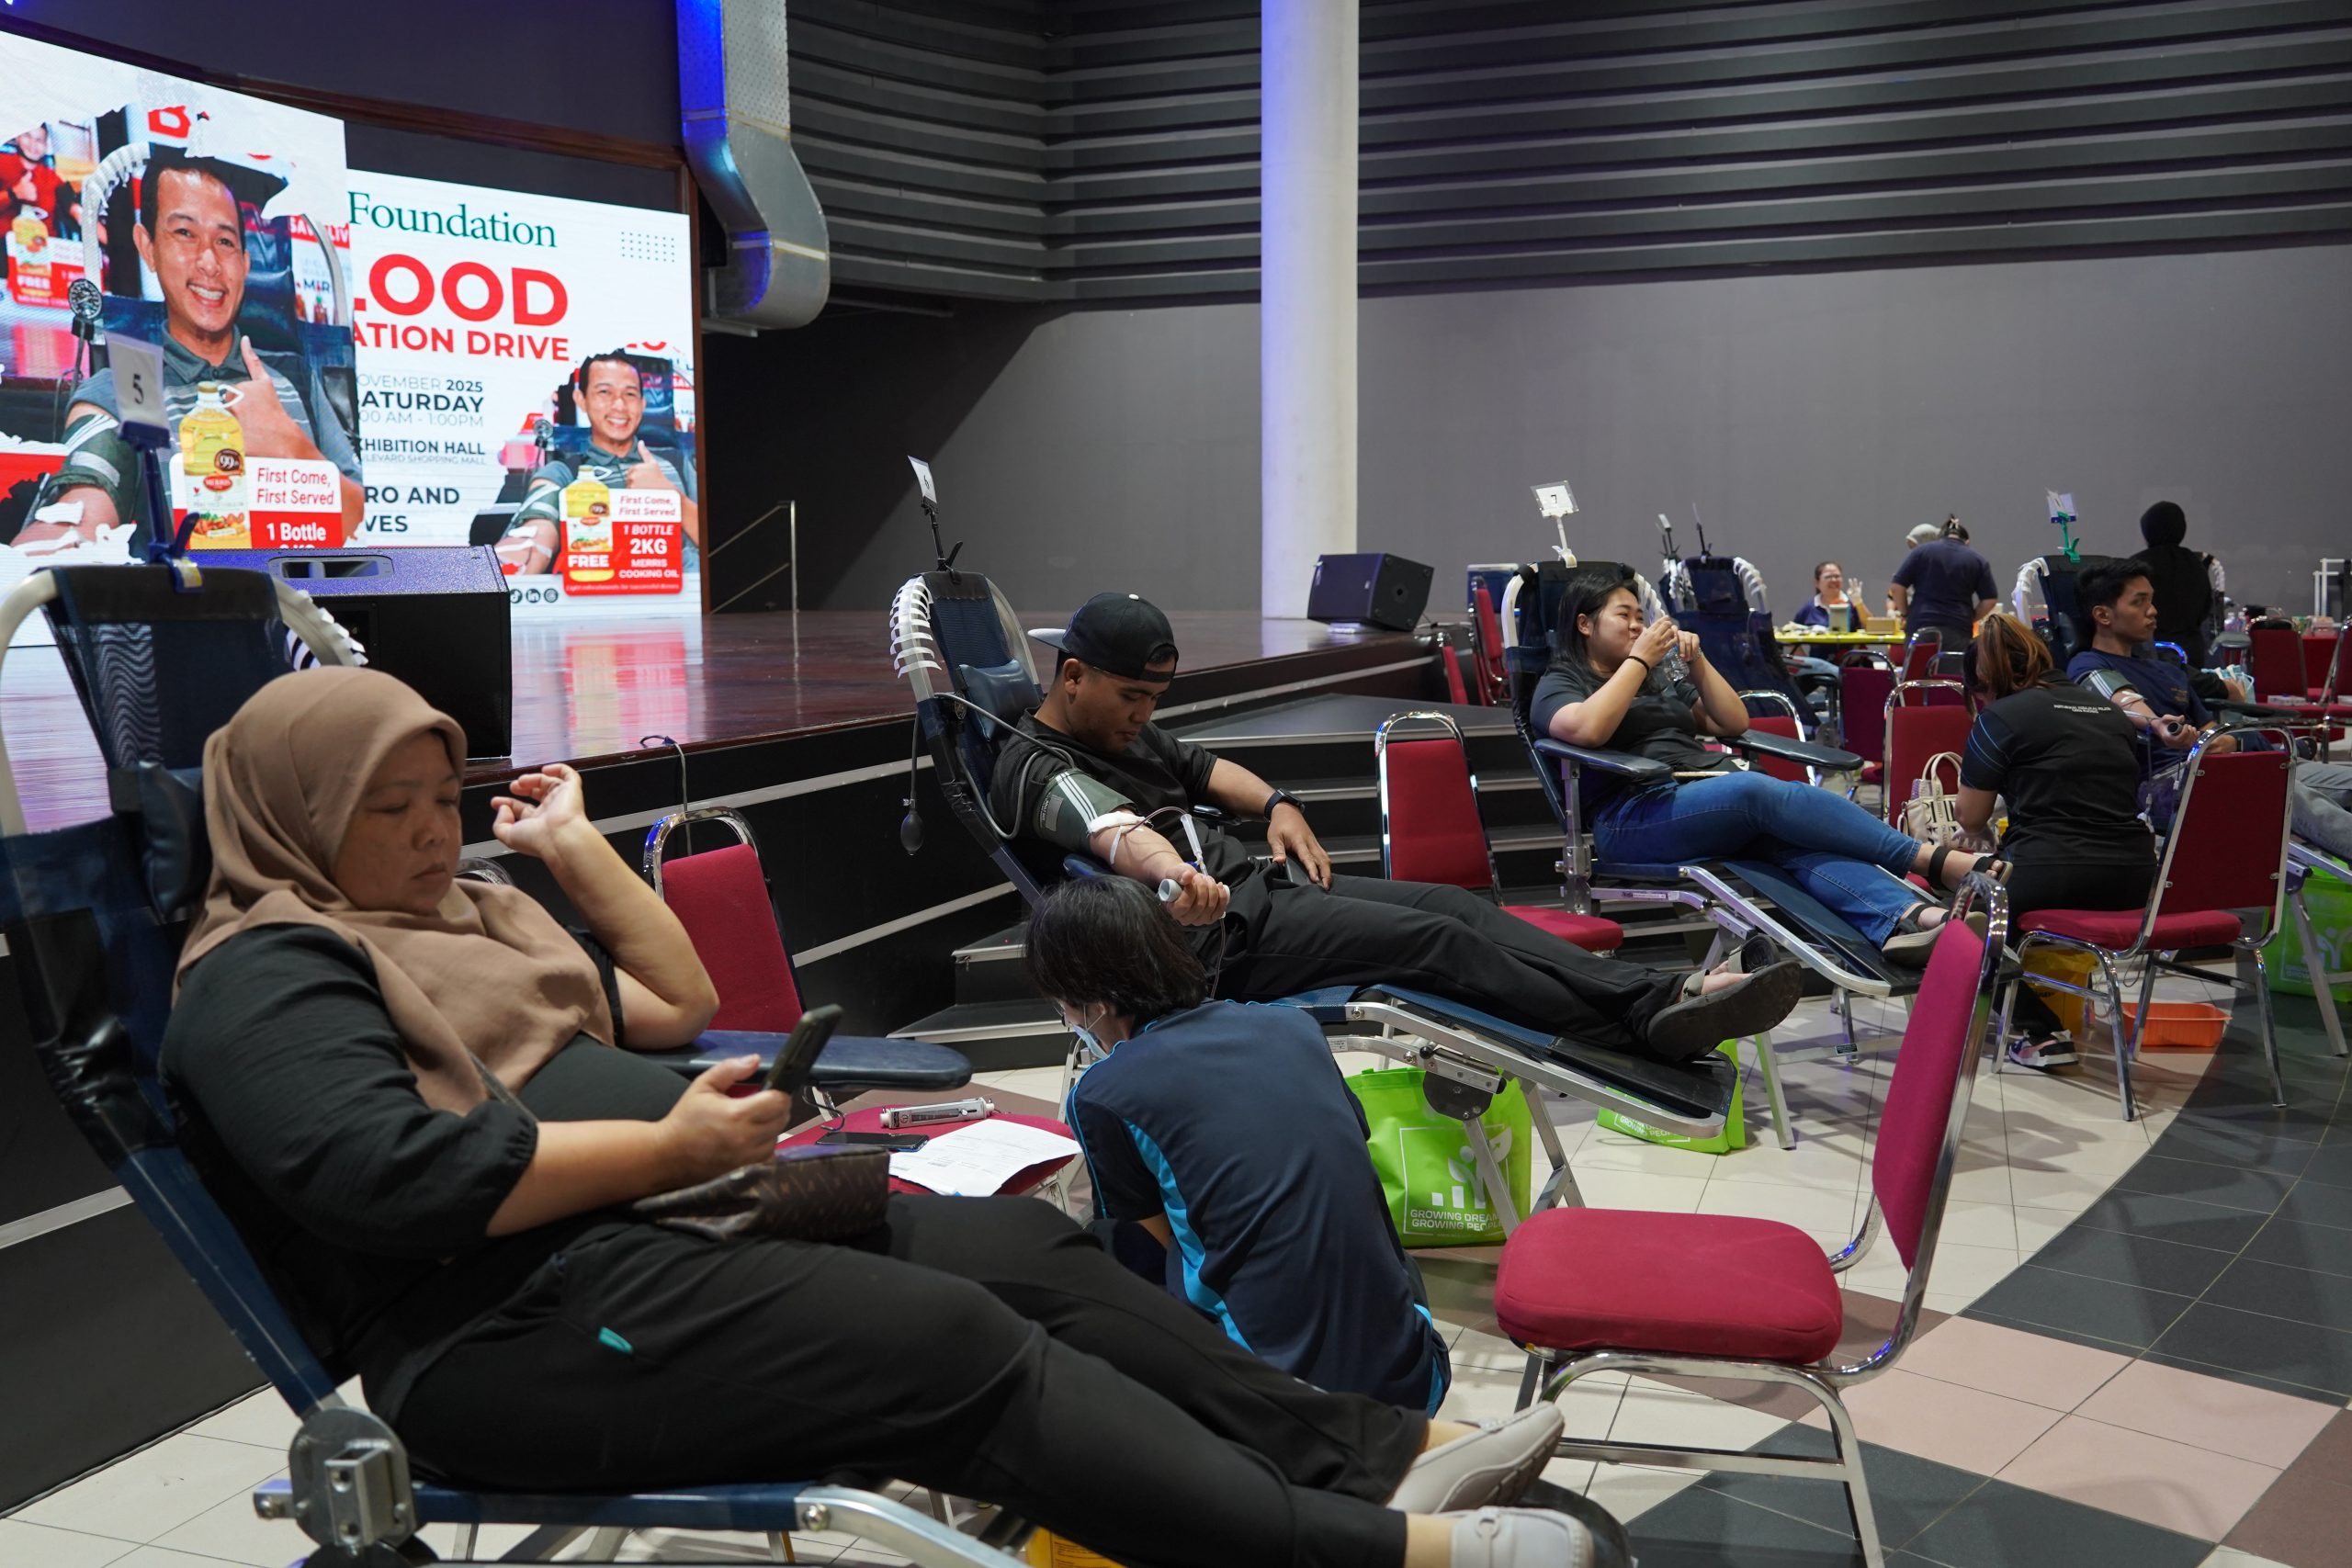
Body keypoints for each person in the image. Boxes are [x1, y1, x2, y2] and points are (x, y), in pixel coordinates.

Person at [160, 668, 1606, 1568]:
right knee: (953, 1344)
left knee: (1022, 1251)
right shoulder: (262, 971)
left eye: (443, 795)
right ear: (294, 815)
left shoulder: (460, 914)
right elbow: (402, 1179)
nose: (433, 829)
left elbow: (675, 997)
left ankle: (1372, 1445)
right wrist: (669, 1146)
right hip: (505, 1322)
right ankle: (1374, 1547)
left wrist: (574, 848)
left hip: (668, 1222)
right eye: (390, 808)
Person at [992, 593, 1804, 1066]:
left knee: (1454, 907)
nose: (1145, 714)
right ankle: (1653, 1017)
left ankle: (1659, 1001)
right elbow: (1113, 829)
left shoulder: (1128, 731)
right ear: (1074, 675)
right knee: (1435, 946)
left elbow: (1206, 768)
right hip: (1214, 941)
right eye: (1133, 696)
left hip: (1260, 893)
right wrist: (1177, 875)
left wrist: (1278, 803)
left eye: (1154, 699)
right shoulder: (1033, 765)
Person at [1029, 875, 1453, 1414]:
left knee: (1108, 1255)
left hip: (1290, 1413)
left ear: (1095, 998)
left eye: (1062, 1004)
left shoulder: (1102, 1094)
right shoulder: (1291, 1027)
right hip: (1417, 1373)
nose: (1069, 1020)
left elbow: (1157, 1249)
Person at [1536, 565, 1997, 966]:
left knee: (1797, 841)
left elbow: (1732, 722)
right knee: (1754, 790)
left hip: (1702, 796)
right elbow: (1588, 730)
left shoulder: (1658, 679)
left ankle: (1913, 919)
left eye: (1642, 616)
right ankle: (1932, 860)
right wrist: (1640, 660)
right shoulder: (1561, 681)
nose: (1638, 625)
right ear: (1585, 624)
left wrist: (1696, 663)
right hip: (1632, 814)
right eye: (1625, 616)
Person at [22, 150, 363, 548]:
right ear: (148, 247)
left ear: (245, 264)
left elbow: (369, 527)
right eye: (185, 233)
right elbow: (82, 507)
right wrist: (46, 549)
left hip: (309, 589)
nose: (209, 262)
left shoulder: (295, 378)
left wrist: (290, 446)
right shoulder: (133, 385)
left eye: (225, 241)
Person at [1954, 615, 2154, 1071]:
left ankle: (2039, 1031)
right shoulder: (2109, 712)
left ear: (1984, 684)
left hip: (2052, 871)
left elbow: (1971, 817)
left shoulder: (1999, 717)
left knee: (1964, 914)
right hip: (2137, 878)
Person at [2068, 560, 2352, 861]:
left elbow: (2211, 735)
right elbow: (2125, 701)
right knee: (2280, 788)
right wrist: (2161, 726)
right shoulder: (2088, 665)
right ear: (2103, 615)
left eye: (2151, 600)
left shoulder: (2167, 671)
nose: (2152, 611)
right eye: (2139, 602)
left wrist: (2221, 742)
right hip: (2168, 780)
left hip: (2228, 763)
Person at [499, 351, 700, 574]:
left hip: (690, 595)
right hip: (600, 594)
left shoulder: (677, 464)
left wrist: (673, 499)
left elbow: (720, 542)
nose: (619, 405)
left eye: (630, 394)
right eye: (604, 392)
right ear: (581, 399)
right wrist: (472, 581)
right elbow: (531, 537)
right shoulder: (563, 473)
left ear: (642, 403)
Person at [2132, 501, 2225, 671]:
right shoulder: (2196, 564)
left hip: (2149, 654)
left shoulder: (2136, 565)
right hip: (2192, 654)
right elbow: (2205, 607)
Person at [1889, 517, 1997, 650]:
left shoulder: (1921, 552)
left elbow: (1897, 587)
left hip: (1921, 625)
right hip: (1958, 629)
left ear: (1940, 536)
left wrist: (1906, 613)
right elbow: (1990, 600)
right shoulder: (1977, 560)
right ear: (1967, 542)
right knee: (1952, 664)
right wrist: (1970, 617)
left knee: (1918, 664)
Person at [1792, 561, 1861, 632]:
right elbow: (1793, 631)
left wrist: (1859, 603)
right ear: (1816, 583)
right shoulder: (1809, 608)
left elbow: (1867, 628)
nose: (1834, 580)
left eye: (1837, 576)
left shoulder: (1853, 604)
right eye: (1828, 577)